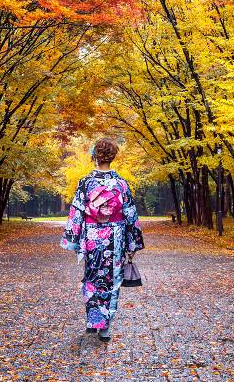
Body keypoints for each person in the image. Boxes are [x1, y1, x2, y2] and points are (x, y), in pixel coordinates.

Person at [60, 137, 144, 343]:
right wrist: (132, 243)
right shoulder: (121, 183)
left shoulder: (86, 182)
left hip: (92, 236)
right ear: (113, 157)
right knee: (112, 279)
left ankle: (94, 320)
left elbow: (77, 212)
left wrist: (74, 240)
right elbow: (130, 214)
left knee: (92, 277)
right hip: (115, 236)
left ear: (95, 156)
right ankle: (105, 327)